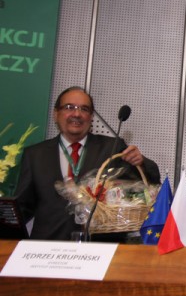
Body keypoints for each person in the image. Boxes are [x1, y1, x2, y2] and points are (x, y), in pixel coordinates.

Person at [15, 86, 161, 241]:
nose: (77, 114)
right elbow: (22, 208)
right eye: (69, 107)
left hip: (100, 246)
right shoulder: (35, 155)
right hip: (48, 246)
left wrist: (141, 162)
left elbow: (147, 185)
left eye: (84, 109)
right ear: (55, 114)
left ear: (91, 117)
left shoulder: (112, 148)